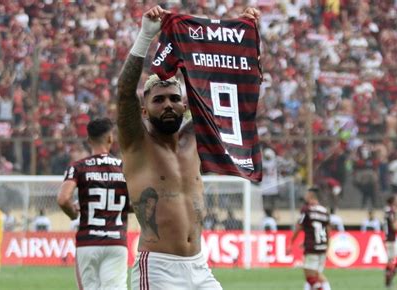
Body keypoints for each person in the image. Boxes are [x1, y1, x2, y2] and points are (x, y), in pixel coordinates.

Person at [116, 5, 260, 290]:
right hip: (158, 268)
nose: (168, 104)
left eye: (173, 98)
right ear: (144, 110)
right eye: (158, 100)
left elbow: (232, 83)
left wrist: (244, 35)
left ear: (185, 105)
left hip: (199, 265)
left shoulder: (195, 138)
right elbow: (123, 92)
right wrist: (146, 36)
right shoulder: (138, 144)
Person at [57, 117, 131, 290]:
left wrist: (73, 213)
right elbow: (137, 202)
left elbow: (63, 199)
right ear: (110, 138)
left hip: (88, 242)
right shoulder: (124, 167)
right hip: (116, 241)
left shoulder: (78, 167)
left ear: (88, 140)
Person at [289, 187, 331, 290]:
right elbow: (327, 231)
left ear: (311, 196)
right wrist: (327, 246)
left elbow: (300, 226)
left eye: (307, 195)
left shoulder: (307, 209)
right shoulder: (324, 211)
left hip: (312, 247)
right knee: (316, 275)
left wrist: (290, 243)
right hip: (322, 246)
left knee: (310, 276)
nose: (305, 196)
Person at [383, 194, 397, 289]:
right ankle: (388, 283)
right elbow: (394, 227)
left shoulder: (390, 211)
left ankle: (390, 279)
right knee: (391, 261)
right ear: (393, 201)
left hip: (394, 238)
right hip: (391, 239)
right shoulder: (391, 212)